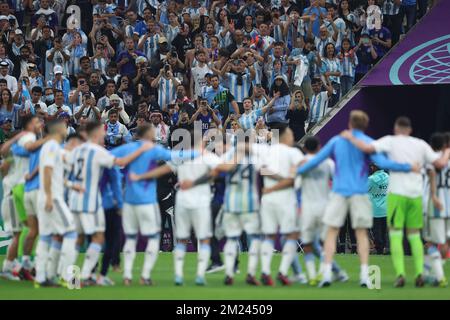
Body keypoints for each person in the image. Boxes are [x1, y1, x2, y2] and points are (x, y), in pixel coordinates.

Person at [297, 110, 418, 288]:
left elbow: (316, 160)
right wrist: (408, 166)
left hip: (339, 192)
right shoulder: (368, 142)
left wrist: (296, 172)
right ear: (365, 125)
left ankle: (327, 274)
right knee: (361, 234)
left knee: (331, 232)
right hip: (360, 193)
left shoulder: (338, 140)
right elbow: (384, 164)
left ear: (350, 124)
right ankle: (363, 275)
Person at [341, 116, 450, 287]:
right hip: (416, 195)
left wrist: (351, 136)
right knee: (414, 235)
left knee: (396, 235)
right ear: (410, 130)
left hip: (397, 194)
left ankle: (400, 274)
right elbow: (439, 164)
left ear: (396, 129)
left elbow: (368, 148)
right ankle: (420, 273)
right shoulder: (420, 144)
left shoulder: (390, 141)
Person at [66, 121, 153, 286]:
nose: (104, 133)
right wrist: (141, 149)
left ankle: (72, 279)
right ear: (95, 133)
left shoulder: (76, 151)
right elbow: (120, 162)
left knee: (76, 240)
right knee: (98, 238)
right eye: (101, 130)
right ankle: (85, 276)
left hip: (74, 200)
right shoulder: (97, 151)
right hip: (89, 201)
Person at [258, 125, 304, 286]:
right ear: (285, 136)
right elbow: (296, 176)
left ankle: (265, 271)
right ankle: (283, 272)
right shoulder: (294, 152)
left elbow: (262, 170)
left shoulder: (266, 151)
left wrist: (274, 181)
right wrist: (284, 178)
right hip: (285, 200)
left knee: (269, 236)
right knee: (291, 235)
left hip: (267, 200)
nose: (292, 136)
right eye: (291, 133)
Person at [423, 132, 449, 287]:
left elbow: (432, 173)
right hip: (446, 205)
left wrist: (433, 195)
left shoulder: (433, 160)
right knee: (444, 241)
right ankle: (428, 273)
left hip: (436, 206)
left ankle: (437, 276)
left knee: (432, 242)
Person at [368, 163, 389, 255]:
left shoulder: (371, 179)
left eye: (371, 166)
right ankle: (383, 248)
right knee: (384, 231)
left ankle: (379, 250)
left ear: (374, 167)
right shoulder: (388, 177)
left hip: (374, 210)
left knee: (376, 232)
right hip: (386, 208)